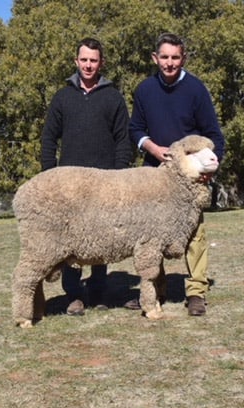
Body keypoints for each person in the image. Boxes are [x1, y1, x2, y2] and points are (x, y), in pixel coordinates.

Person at [128, 32, 225, 316]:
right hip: (154, 175)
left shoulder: (196, 90)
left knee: (195, 233)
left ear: (183, 58)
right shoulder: (144, 90)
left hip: (189, 179)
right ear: (155, 58)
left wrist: (209, 168)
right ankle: (154, 290)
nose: (170, 63)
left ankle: (196, 291)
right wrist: (153, 148)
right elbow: (135, 129)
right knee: (150, 236)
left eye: (175, 57)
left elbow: (214, 136)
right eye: (165, 57)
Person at [41, 37, 133, 316]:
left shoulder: (113, 97)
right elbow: (48, 139)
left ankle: (98, 290)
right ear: (76, 62)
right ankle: (73, 295)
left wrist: (118, 178)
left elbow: (123, 140)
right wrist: (50, 177)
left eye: (94, 60)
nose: (89, 65)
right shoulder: (62, 97)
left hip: (105, 184)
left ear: (101, 63)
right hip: (69, 186)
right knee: (71, 242)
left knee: (102, 238)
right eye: (84, 60)